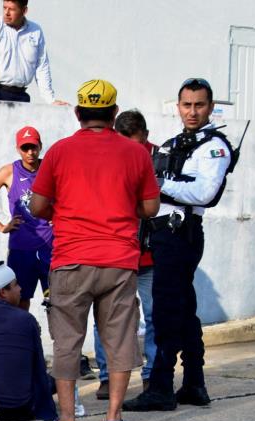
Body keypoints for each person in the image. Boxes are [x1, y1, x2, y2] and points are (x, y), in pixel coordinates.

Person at [29, 79, 159, 421]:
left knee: (68, 341)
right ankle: (114, 419)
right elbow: (151, 207)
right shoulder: (136, 153)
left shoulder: (59, 152)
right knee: (119, 339)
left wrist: (67, 208)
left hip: (70, 258)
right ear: (114, 114)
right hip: (119, 260)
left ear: (78, 113)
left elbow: (38, 206)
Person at [124, 78, 231, 413]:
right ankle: (194, 382)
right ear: (178, 106)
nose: (193, 111)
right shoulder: (172, 144)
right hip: (161, 234)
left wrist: (158, 184)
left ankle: (160, 386)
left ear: (210, 107)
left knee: (169, 310)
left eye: (199, 105)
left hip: (180, 233)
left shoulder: (215, 146)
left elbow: (203, 193)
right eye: (187, 105)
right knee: (184, 310)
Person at [93, 108, 158, 401]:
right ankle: (106, 377)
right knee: (104, 319)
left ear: (145, 136)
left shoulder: (159, 158)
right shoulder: (107, 157)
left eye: (136, 144)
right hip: (114, 254)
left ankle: (151, 376)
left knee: (154, 315)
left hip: (149, 255)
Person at [0, 261, 56, 421]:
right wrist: (47, 411)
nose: (20, 289)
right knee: (56, 379)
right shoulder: (26, 319)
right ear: (3, 292)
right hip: (21, 410)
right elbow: (38, 370)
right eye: (15, 285)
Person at [0, 125, 53, 312]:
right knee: (18, 301)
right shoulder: (9, 171)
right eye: (25, 148)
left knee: (55, 302)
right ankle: (19, 339)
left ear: (40, 146)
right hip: (22, 248)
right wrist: (2, 226)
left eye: (33, 147)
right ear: (18, 148)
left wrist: (59, 217)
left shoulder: (50, 169)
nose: (30, 152)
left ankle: (58, 341)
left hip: (50, 246)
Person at [0, 1, 66, 105]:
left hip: (22, 97)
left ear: (24, 10)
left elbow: (42, 67)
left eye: (12, 9)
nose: (6, 13)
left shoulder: (35, 31)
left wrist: (51, 100)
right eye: (4, 8)